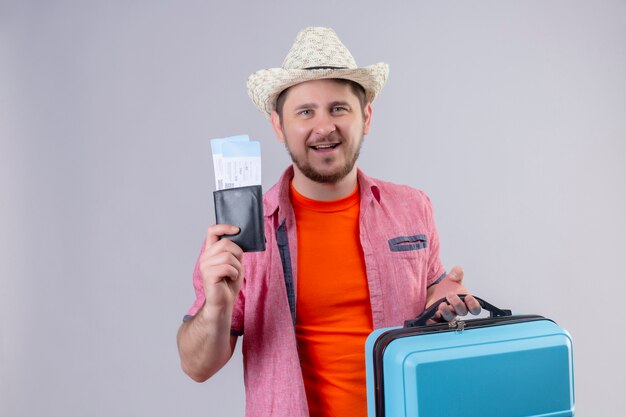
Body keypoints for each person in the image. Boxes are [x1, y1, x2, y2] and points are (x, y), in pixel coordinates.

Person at [177, 27, 481, 417]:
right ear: (278, 126)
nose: (324, 127)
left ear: (365, 117)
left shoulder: (412, 207)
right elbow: (196, 366)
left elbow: (429, 297)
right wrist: (217, 305)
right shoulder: (242, 234)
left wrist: (442, 298)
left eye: (339, 108)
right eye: (306, 112)